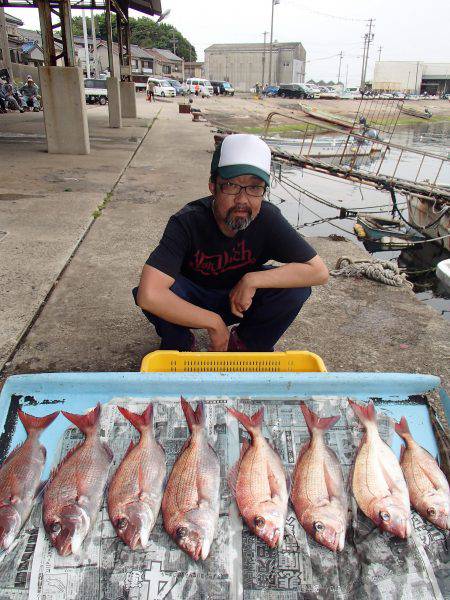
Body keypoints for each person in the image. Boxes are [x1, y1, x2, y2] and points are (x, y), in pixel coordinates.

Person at [134, 134, 329, 352]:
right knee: (156, 289)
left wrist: (252, 279)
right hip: (192, 300)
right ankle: (181, 344)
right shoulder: (187, 222)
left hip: (239, 300)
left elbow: (319, 272)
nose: (242, 200)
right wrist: (213, 323)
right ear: (212, 186)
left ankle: (245, 344)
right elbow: (148, 294)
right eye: (231, 185)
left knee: (296, 288)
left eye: (255, 188)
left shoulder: (268, 218)